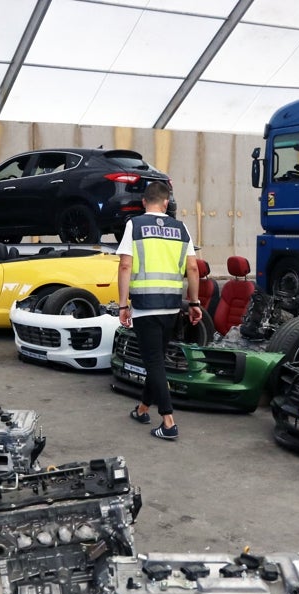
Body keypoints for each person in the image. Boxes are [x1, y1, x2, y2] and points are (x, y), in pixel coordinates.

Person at [116, 182, 202, 441]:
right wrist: (195, 303)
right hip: (171, 307)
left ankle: (168, 421)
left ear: (144, 202)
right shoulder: (181, 228)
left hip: (145, 306)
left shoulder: (135, 224)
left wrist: (122, 305)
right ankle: (142, 409)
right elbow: (193, 269)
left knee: (154, 362)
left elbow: (124, 266)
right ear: (166, 203)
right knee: (157, 361)